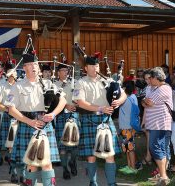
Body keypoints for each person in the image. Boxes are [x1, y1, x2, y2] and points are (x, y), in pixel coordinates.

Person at [6, 49, 66, 186]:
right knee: (31, 163)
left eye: (36, 64)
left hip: (46, 126)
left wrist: (53, 114)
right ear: (25, 67)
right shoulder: (18, 86)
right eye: (31, 65)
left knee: (47, 162)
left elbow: (62, 101)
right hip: (28, 124)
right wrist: (30, 122)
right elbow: (11, 109)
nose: (34, 67)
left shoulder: (48, 84)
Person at [73, 56, 126, 186]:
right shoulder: (81, 82)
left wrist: (119, 100)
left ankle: (112, 183)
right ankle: (93, 182)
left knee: (110, 154)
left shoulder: (107, 80)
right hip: (89, 118)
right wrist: (101, 108)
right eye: (92, 66)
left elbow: (123, 93)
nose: (95, 68)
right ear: (86, 68)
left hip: (106, 119)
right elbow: (80, 102)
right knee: (91, 155)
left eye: (96, 66)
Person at [143, 67, 172, 185]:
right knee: (161, 148)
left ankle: (163, 176)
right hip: (157, 124)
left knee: (155, 147)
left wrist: (146, 101)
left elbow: (148, 102)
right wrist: (146, 101)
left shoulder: (163, 89)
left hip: (160, 124)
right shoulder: (156, 88)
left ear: (156, 78)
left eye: (151, 78)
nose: (149, 80)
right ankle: (162, 175)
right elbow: (145, 103)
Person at [0, 68, 21, 183]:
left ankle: (23, 172)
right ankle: (13, 172)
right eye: (10, 73)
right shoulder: (1, 86)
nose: (12, 75)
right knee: (11, 146)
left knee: (20, 145)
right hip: (8, 117)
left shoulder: (21, 85)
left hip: (21, 118)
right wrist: (8, 109)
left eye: (14, 73)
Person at [54, 63, 79, 180]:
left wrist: (76, 104)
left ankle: (72, 161)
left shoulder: (74, 83)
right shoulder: (54, 86)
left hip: (74, 116)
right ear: (58, 73)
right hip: (61, 117)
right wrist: (66, 107)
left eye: (66, 70)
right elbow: (54, 103)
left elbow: (79, 98)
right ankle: (65, 169)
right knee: (62, 146)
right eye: (62, 71)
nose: (65, 72)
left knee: (75, 144)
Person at [118, 81, 138, 175]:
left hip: (126, 127)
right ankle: (129, 166)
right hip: (130, 126)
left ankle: (133, 168)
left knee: (129, 148)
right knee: (127, 147)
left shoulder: (124, 99)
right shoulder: (133, 97)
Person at [140, 69, 153, 167]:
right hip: (149, 115)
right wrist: (143, 121)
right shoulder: (147, 88)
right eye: (146, 79)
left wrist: (146, 103)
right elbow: (145, 106)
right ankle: (149, 156)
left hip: (158, 117)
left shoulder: (158, 88)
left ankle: (150, 157)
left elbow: (148, 104)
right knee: (148, 137)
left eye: (149, 78)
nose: (148, 81)